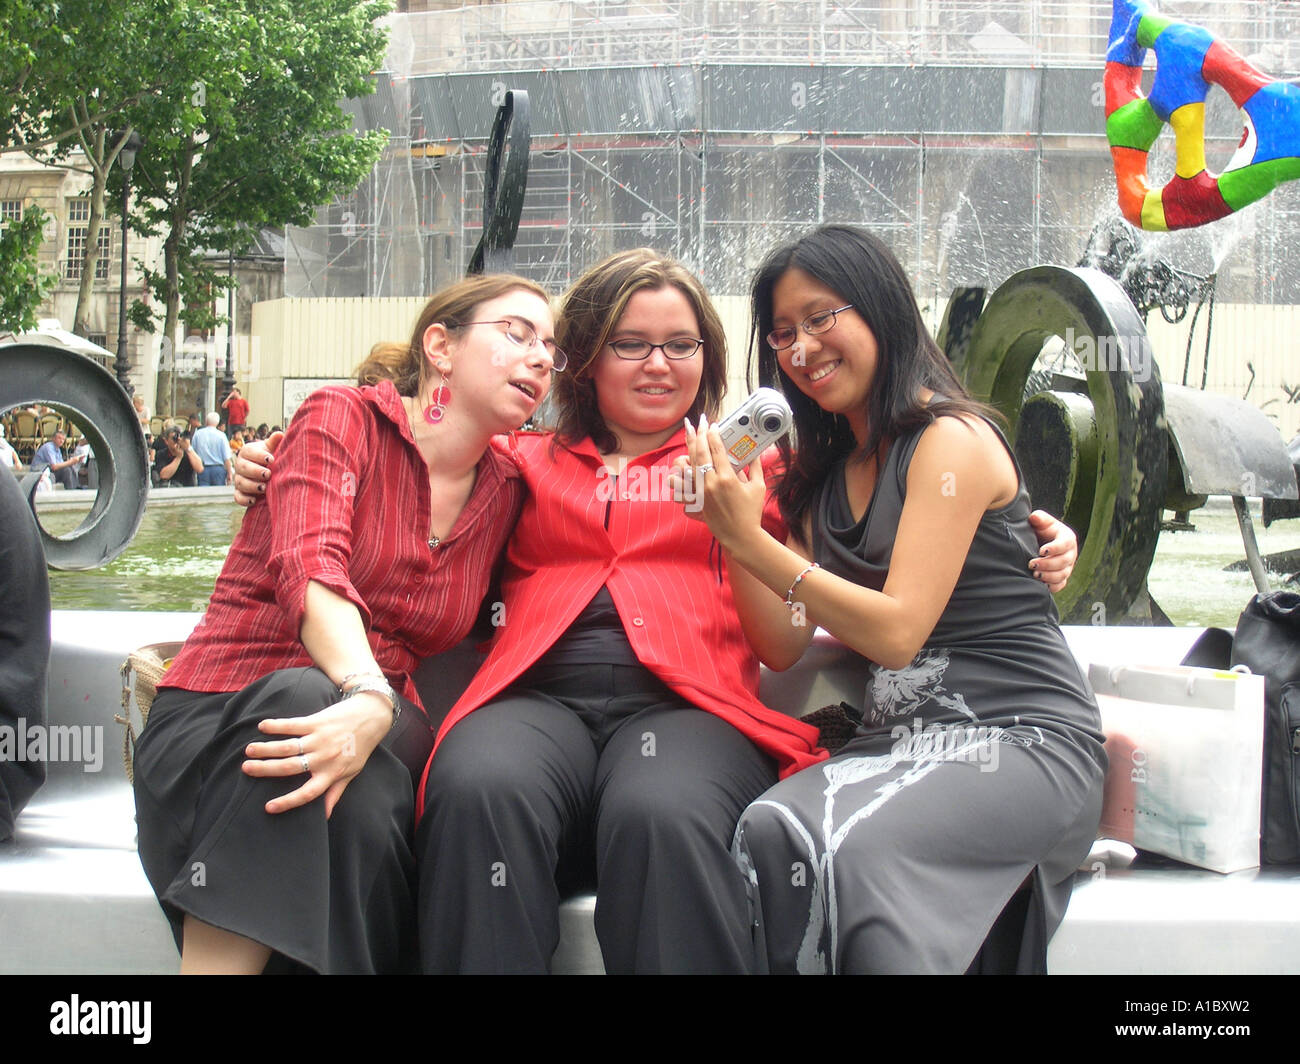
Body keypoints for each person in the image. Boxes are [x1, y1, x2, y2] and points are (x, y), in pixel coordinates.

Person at [236, 249, 1078, 975]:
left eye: (680, 346)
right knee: (479, 786)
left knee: (664, 813)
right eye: (630, 345)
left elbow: (789, 646)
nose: (656, 365)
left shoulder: (766, 473)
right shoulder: (517, 461)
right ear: (586, 363)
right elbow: (408, 461)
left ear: (706, 361)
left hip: (689, 707)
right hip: (538, 699)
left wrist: (1033, 535)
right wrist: (277, 465)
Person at [679, 225, 1106, 974]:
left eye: (821, 317)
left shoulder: (952, 441)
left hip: (1018, 739)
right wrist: (737, 527)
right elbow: (781, 642)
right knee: (771, 830)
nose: (802, 349)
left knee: (860, 845)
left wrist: (750, 543)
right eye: (782, 334)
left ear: (881, 309)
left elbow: (900, 634)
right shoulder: (823, 475)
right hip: (896, 743)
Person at [131, 274, 558, 974]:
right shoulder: (340, 418)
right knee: (316, 727)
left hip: (381, 738)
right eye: (516, 333)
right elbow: (310, 569)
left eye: (550, 346)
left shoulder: (512, 492)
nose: (541, 356)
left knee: (348, 767)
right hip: (219, 722)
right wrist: (367, 694)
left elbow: (605, 498)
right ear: (441, 348)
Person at [191, 412, 232, 486]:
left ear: (206, 421)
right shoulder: (222, 436)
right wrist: (229, 473)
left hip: (202, 468)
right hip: (218, 469)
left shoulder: (197, 434)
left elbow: (193, 452)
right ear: (217, 423)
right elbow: (226, 457)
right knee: (217, 495)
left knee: (203, 494)